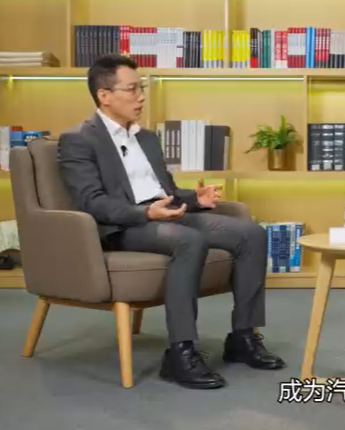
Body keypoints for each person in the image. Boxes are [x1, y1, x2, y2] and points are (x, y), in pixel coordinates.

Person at [57, 54, 285, 390]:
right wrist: (145, 213)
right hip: (124, 226)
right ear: (104, 95)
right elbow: (91, 202)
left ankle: (242, 337)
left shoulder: (147, 138)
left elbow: (168, 191)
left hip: (164, 216)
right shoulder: (79, 139)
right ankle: (181, 352)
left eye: (141, 89)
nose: (141, 97)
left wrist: (195, 200)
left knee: (251, 234)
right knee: (189, 240)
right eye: (132, 90)